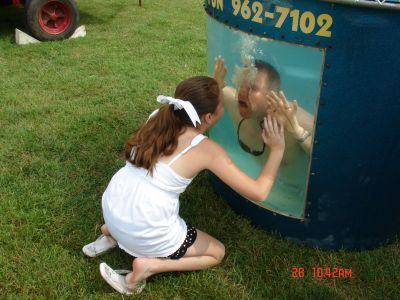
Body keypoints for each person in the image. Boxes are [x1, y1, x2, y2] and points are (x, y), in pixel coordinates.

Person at [82, 74, 286, 295]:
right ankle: (150, 266)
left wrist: (213, 87)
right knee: (216, 253)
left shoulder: (159, 117)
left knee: (130, 215)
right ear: (208, 117)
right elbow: (258, 192)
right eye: (222, 107)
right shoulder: (207, 150)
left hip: (114, 205)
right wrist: (277, 149)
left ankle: (111, 234)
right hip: (145, 224)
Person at [215, 57, 314, 156]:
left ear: (271, 94)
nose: (242, 92)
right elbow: (202, 100)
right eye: (240, 84)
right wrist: (213, 89)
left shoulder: (295, 121)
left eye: (252, 87)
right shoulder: (233, 102)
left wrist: (298, 132)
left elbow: (327, 155)